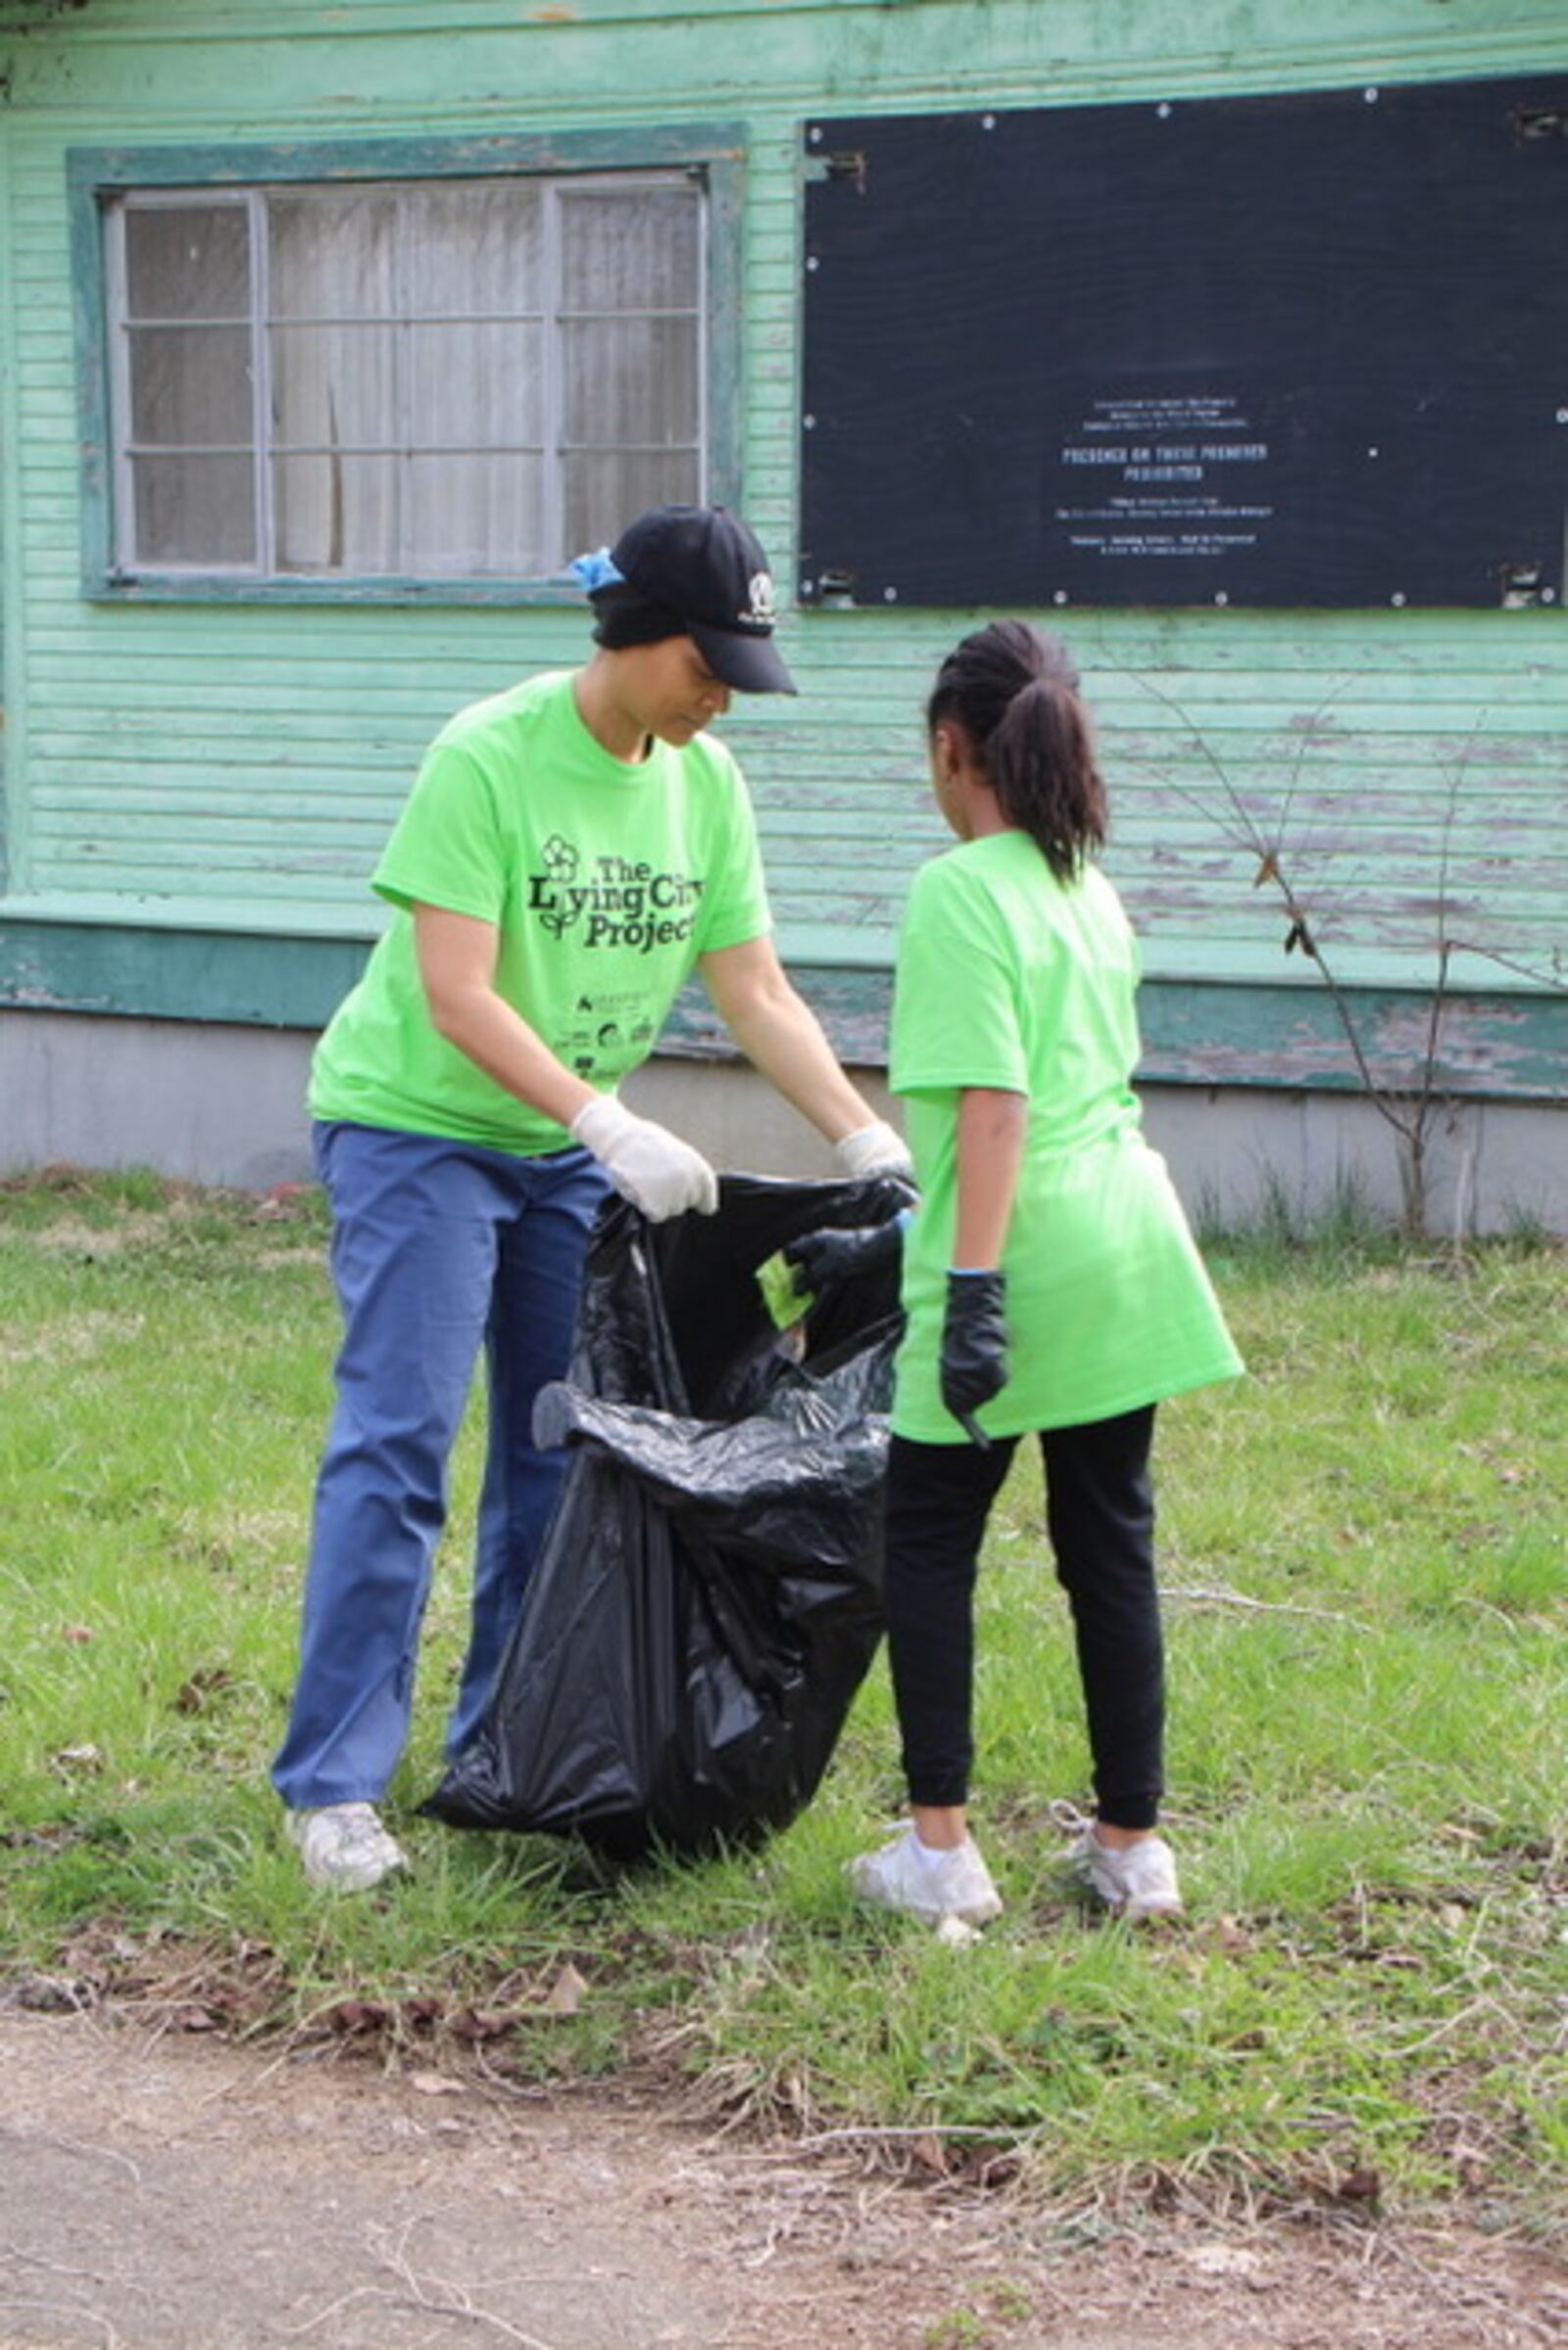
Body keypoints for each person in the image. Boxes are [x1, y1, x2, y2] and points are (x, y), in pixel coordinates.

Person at [272, 504, 911, 1892]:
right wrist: (602, 1116)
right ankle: (329, 1788)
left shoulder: (703, 786)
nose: (724, 698)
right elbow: (454, 991)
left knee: (562, 1462)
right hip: (417, 1127)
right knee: (399, 1444)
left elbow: (755, 987)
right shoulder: (488, 756)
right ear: (639, 635)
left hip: (569, 1146)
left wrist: (865, 1137)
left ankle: (505, 1752)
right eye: (711, 665)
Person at [788, 621, 1242, 1930]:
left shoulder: (956, 890)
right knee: (1112, 1544)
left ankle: (940, 1851)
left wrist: (968, 1289)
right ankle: (1131, 1846)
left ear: (949, 748)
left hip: (1018, 1251)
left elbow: (993, 1109)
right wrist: (892, 1239)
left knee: (927, 1538)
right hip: (1128, 1250)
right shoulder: (1086, 891)